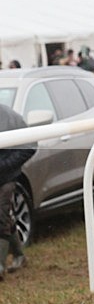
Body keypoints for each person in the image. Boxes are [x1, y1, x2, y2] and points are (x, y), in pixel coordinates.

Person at [0, 104, 37, 279]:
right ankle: (19, 255)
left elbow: (30, 146)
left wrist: (4, 166)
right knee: (5, 217)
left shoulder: (9, 117)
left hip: (6, 178)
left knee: (0, 218)